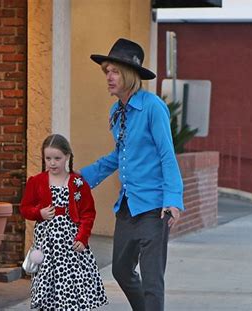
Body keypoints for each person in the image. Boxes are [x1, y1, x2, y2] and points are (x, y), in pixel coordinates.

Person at [79, 38, 184, 311]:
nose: (109, 78)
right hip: (128, 205)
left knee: (151, 281)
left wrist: (173, 198)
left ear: (129, 74)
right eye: (107, 72)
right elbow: (119, 154)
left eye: (114, 72)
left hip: (154, 208)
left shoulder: (152, 107)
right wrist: (81, 179)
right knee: (121, 269)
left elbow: (166, 154)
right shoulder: (117, 112)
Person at [20, 134, 108, 310]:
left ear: (67, 156)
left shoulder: (78, 183)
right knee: (48, 284)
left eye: (57, 158)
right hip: (46, 245)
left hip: (71, 244)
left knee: (71, 286)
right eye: (48, 158)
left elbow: (88, 213)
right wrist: (39, 213)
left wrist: (82, 238)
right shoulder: (36, 182)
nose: (52, 163)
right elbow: (24, 208)